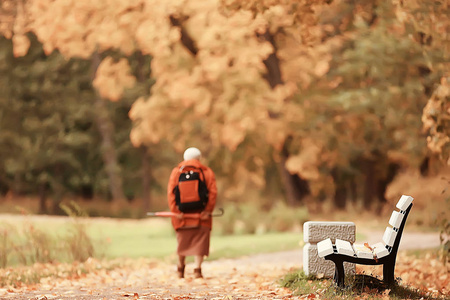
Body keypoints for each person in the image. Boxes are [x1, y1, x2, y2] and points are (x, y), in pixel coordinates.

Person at [167, 147, 217, 279]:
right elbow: (212, 193)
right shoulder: (207, 172)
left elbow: (171, 194)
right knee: (200, 241)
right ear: (199, 158)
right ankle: (197, 269)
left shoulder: (176, 172)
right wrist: (207, 211)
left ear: (185, 158)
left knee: (182, 241)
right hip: (201, 216)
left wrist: (176, 211)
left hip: (182, 216)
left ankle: (180, 268)